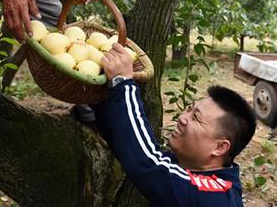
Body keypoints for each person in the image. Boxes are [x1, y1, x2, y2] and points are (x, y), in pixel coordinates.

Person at [94, 43, 256, 206]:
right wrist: (98, 107)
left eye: (196, 118)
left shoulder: (215, 197)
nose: (182, 118)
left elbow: (148, 163)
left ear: (219, 147)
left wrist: (122, 84)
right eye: (189, 109)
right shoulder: (185, 166)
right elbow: (131, 147)